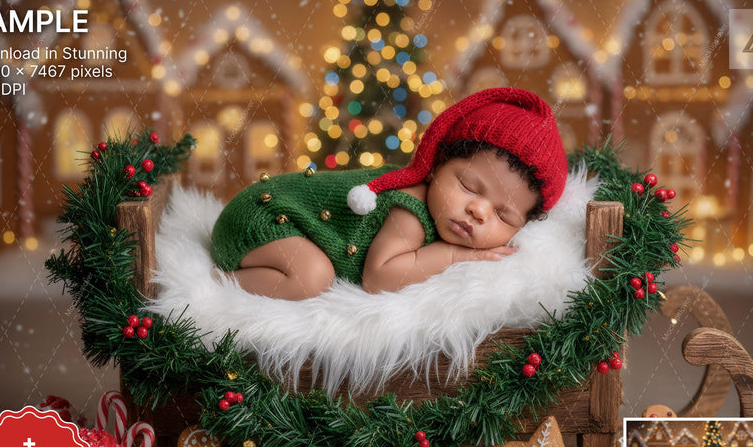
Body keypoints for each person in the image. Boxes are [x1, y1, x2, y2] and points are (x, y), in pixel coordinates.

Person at [210, 87, 568, 300]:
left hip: (283, 227)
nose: (478, 210)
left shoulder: (451, 213)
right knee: (312, 277)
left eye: (503, 215)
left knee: (311, 272)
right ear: (437, 164)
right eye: (468, 186)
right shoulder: (411, 207)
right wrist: (455, 256)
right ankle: (217, 285)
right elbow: (378, 278)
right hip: (263, 216)